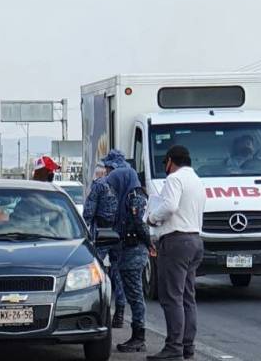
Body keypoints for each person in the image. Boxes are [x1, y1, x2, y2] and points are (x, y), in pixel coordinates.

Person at [146, 145, 206, 361]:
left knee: (172, 297)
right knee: (188, 297)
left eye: (165, 164)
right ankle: (187, 347)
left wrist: (152, 217)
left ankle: (173, 347)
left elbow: (170, 206)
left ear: (170, 161)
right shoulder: (197, 180)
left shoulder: (174, 179)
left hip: (176, 241)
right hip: (195, 240)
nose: (165, 168)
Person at [103, 149, 150, 350]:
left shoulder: (135, 196)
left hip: (134, 251)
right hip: (126, 251)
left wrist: (150, 243)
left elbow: (139, 223)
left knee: (136, 295)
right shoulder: (124, 197)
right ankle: (138, 336)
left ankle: (139, 338)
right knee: (133, 295)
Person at [82, 161, 119, 261]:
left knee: (96, 262)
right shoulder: (122, 183)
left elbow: (89, 210)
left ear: (106, 169)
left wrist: (83, 227)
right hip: (118, 231)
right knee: (117, 263)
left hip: (101, 231)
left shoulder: (99, 184)